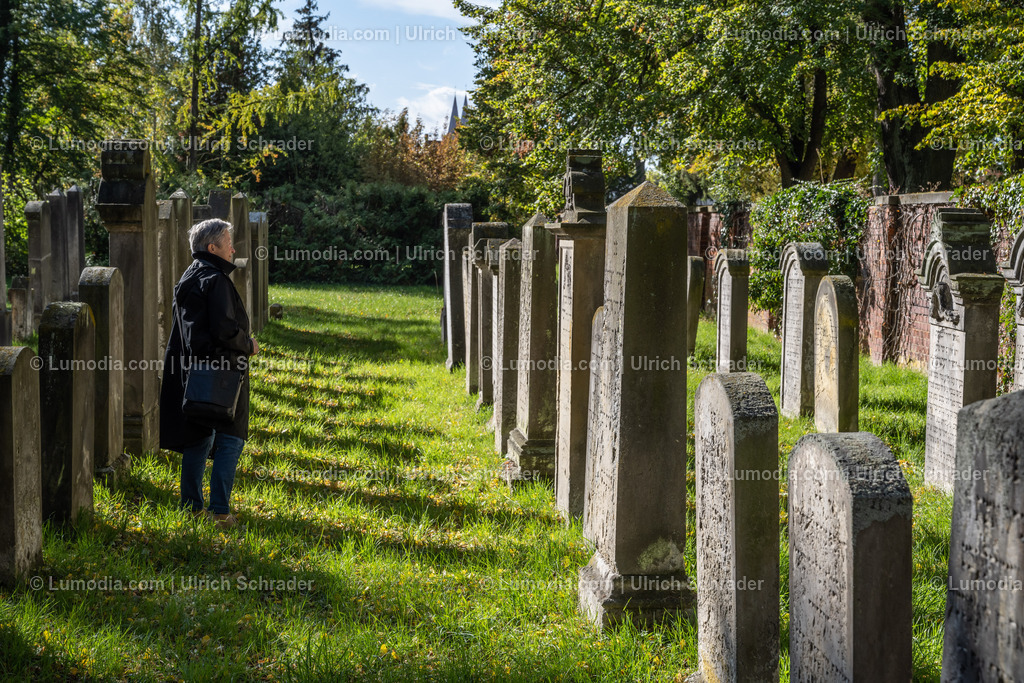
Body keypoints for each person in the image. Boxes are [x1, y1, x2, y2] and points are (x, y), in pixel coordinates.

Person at [160, 218, 259, 529]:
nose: (233, 249)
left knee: (199, 438)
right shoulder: (215, 279)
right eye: (228, 243)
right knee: (232, 438)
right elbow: (224, 330)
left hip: (193, 372)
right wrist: (248, 344)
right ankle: (220, 513)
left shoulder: (190, 275)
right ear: (212, 247)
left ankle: (191, 508)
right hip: (223, 372)